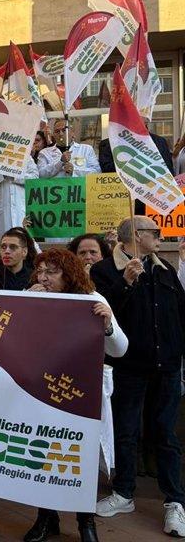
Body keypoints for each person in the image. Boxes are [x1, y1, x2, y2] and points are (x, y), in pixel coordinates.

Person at [21, 248, 127, 542]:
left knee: (80, 457)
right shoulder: (33, 297)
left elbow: (120, 349)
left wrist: (107, 327)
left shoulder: (93, 301)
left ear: (69, 275)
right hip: (41, 390)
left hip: (80, 394)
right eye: (40, 271)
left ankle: (85, 522)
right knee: (43, 453)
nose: (43, 278)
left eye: (51, 272)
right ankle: (46, 517)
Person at [90, 216, 185, 536]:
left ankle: (175, 502)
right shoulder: (104, 270)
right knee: (126, 432)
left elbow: (179, 312)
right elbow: (104, 315)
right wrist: (125, 283)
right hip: (129, 367)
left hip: (167, 366)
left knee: (166, 435)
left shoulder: (165, 269)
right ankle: (124, 492)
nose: (160, 236)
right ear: (135, 236)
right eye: (154, 232)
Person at [0, 155, 39, 241]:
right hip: (1, 212)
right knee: (2, 241)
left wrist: (15, 176)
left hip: (20, 208)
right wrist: (2, 175)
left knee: (22, 240)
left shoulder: (25, 154)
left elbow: (34, 178)